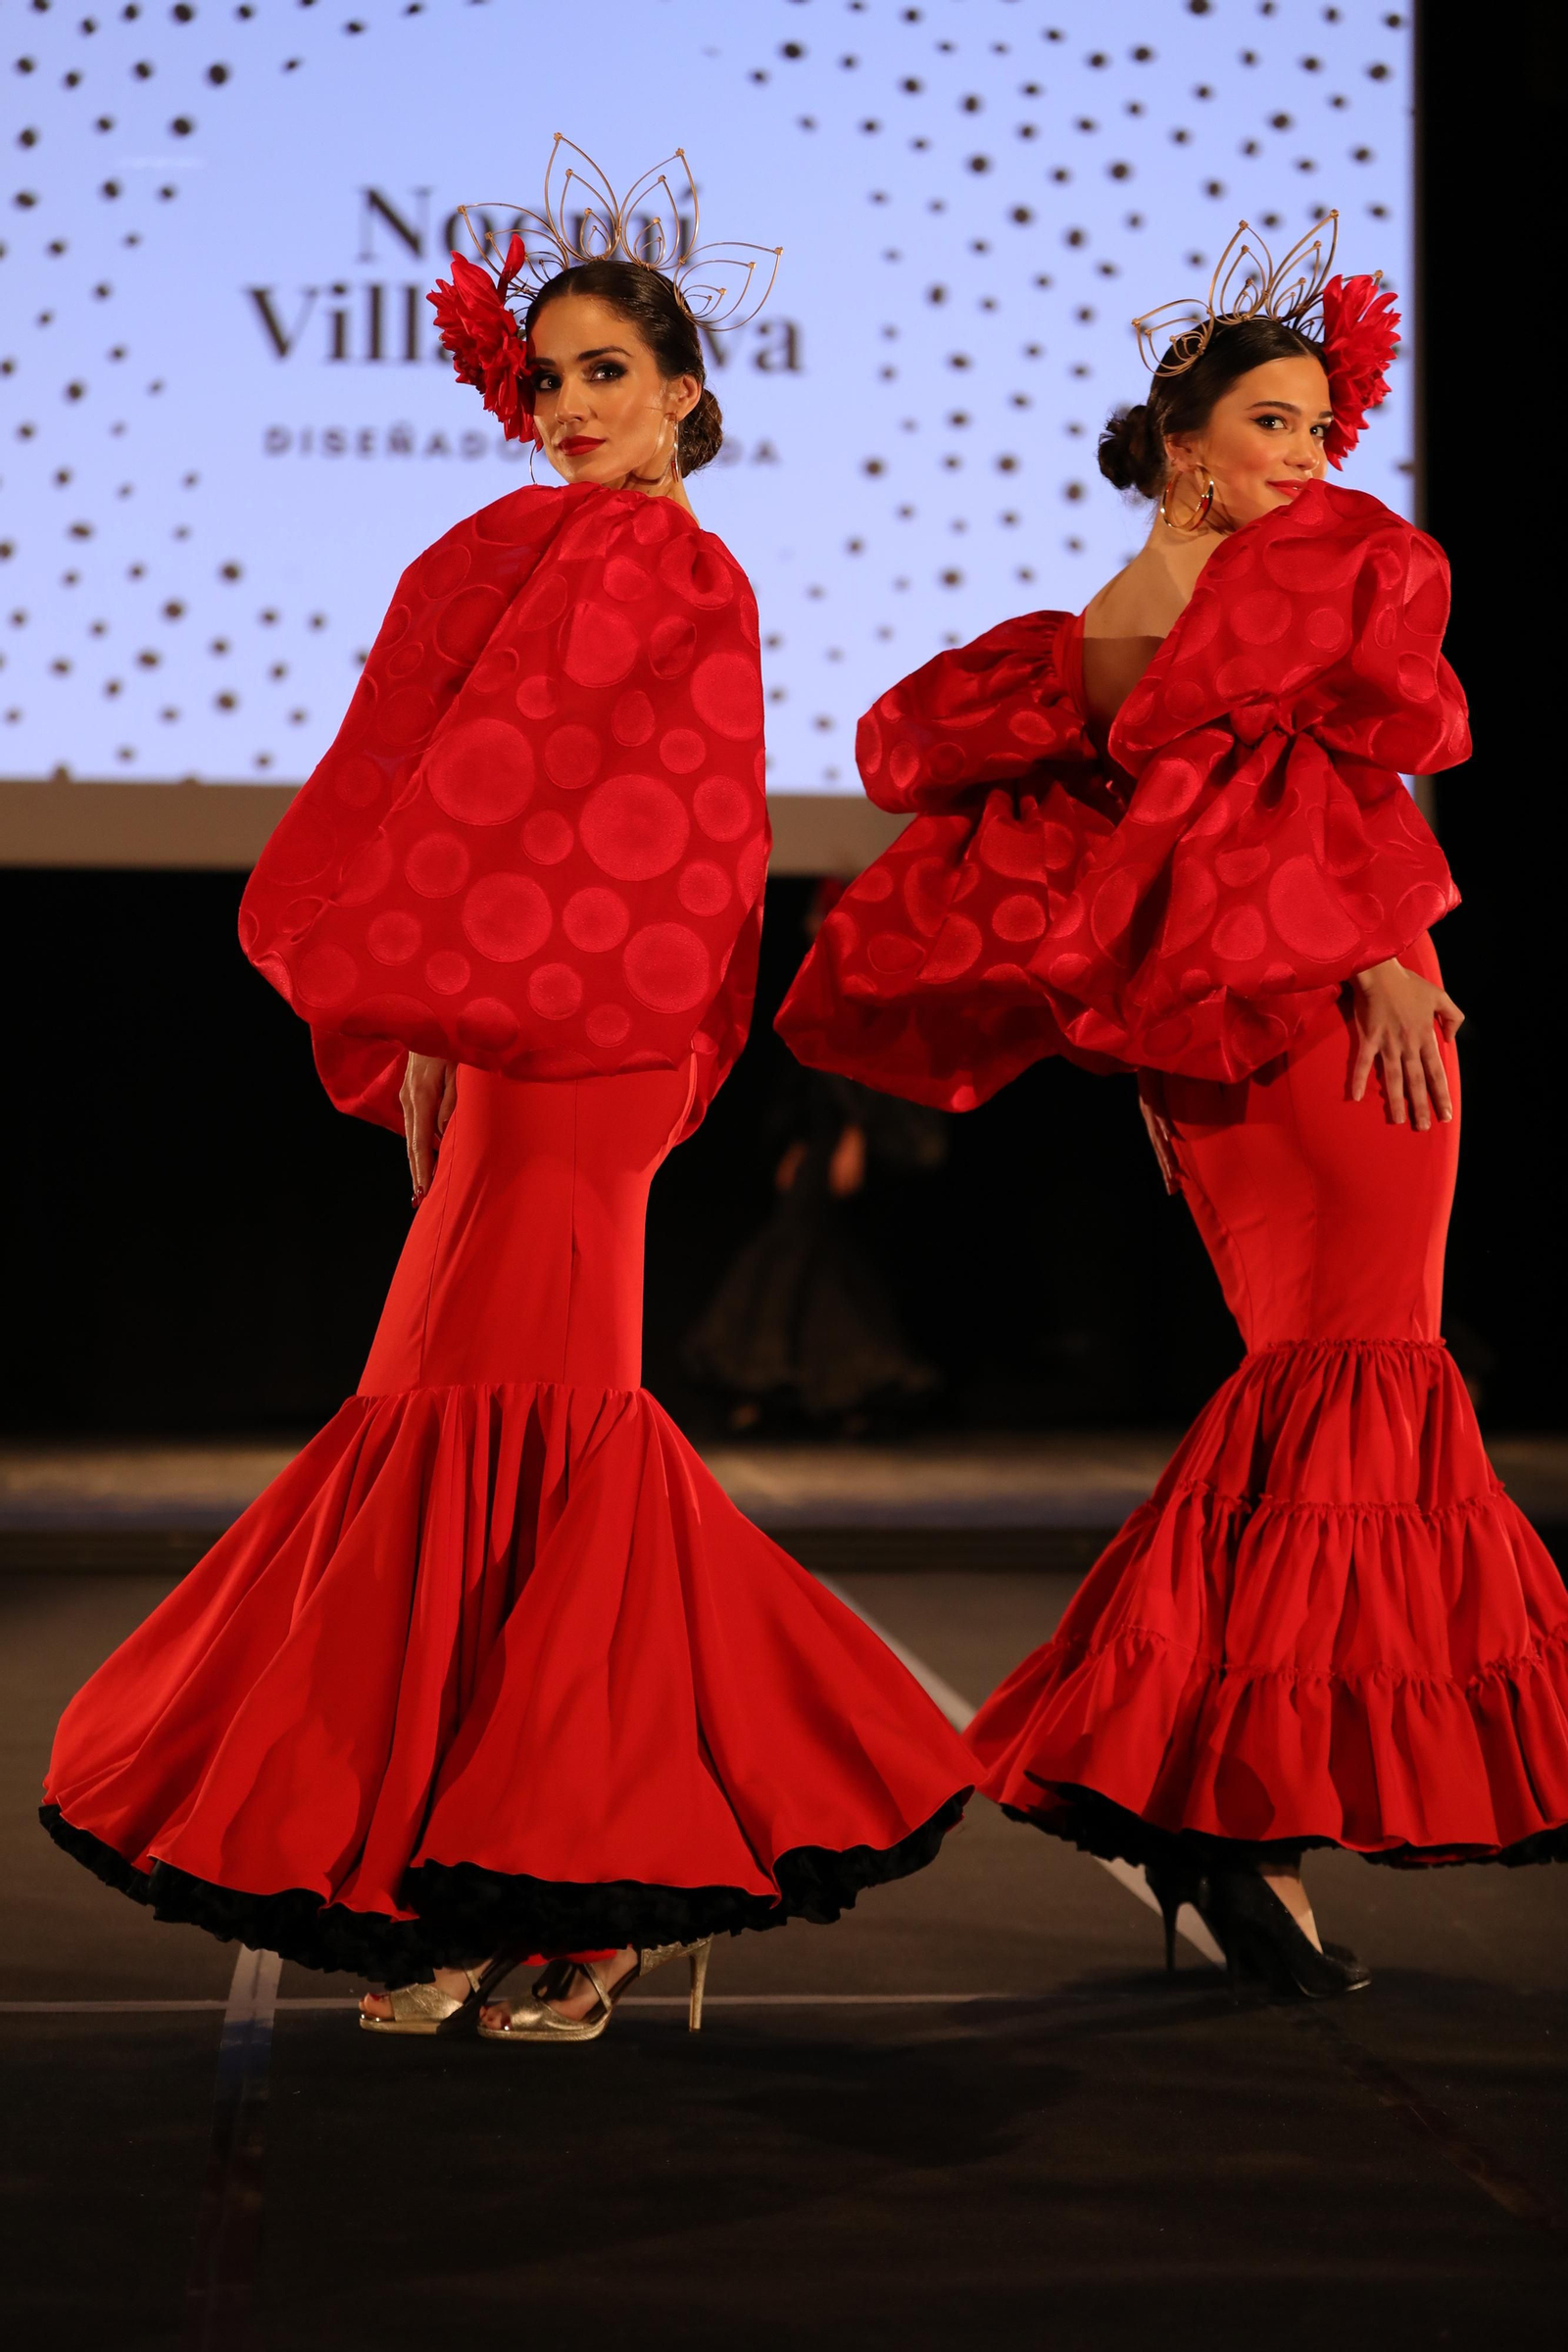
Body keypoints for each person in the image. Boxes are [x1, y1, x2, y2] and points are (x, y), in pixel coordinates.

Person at [41, 143, 972, 2045]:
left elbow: (674, 856)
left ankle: (564, 1896)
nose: (567, 404)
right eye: (546, 375)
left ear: (687, 389)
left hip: (599, 1050)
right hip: (489, 1038)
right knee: (449, 1424)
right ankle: (466, 1887)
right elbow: (422, 795)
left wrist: (507, 1013)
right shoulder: (486, 553)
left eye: (606, 370)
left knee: (528, 1424)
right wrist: (425, 1027)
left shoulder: (688, 577)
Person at [777, 216, 1568, 1997]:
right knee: (1345, 1389)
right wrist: (1373, 949)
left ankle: (1222, 1808)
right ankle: (1214, 1802)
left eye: (1319, 428)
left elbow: (1209, 841)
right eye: (1275, 426)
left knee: (1330, 1396)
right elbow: (1238, 826)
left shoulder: (1180, 619)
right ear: (1188, 446)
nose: (1311, 457)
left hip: (1286, 1041)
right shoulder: (1186, 619)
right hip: (1321, 1036)